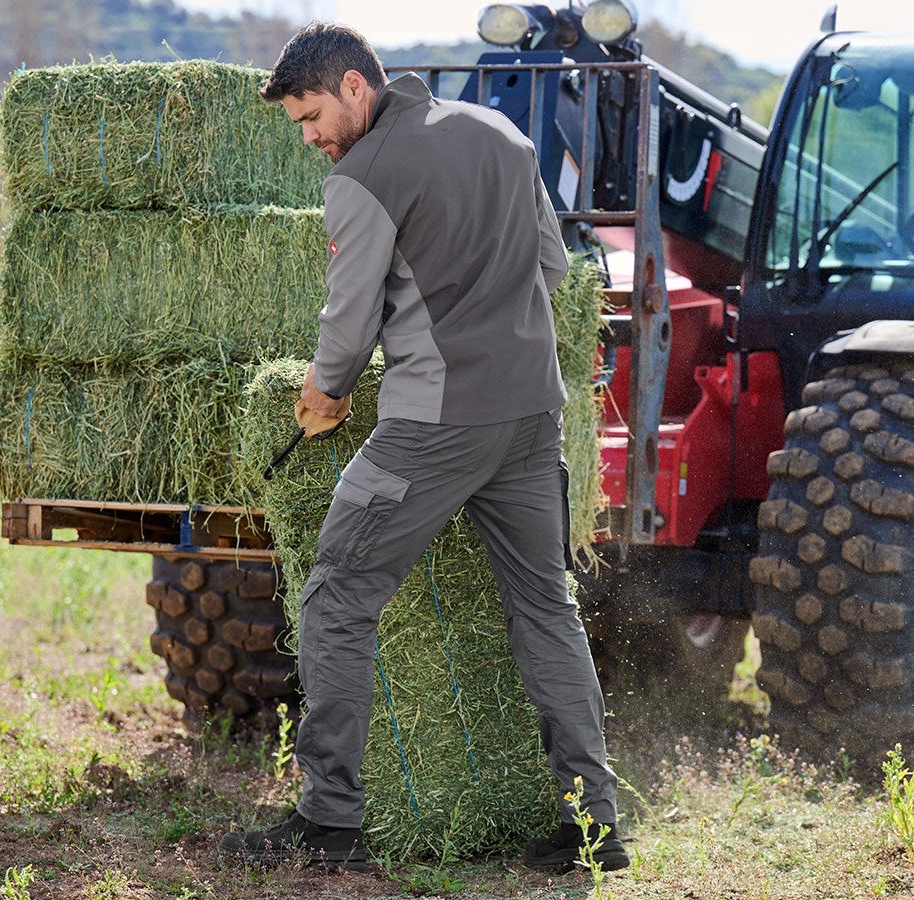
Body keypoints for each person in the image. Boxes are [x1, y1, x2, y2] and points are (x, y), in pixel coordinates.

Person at [218, 21, 626, 875]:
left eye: (311, 115)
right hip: (531, 413)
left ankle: (330, 818)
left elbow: (350, 314)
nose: (309, 137)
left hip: (435, 423)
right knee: (546, 607)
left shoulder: (362, 176)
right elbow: (552, 267)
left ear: (355, 88)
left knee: (334, 595)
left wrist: (324, 397)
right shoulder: (503, 135)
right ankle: (595, 825)